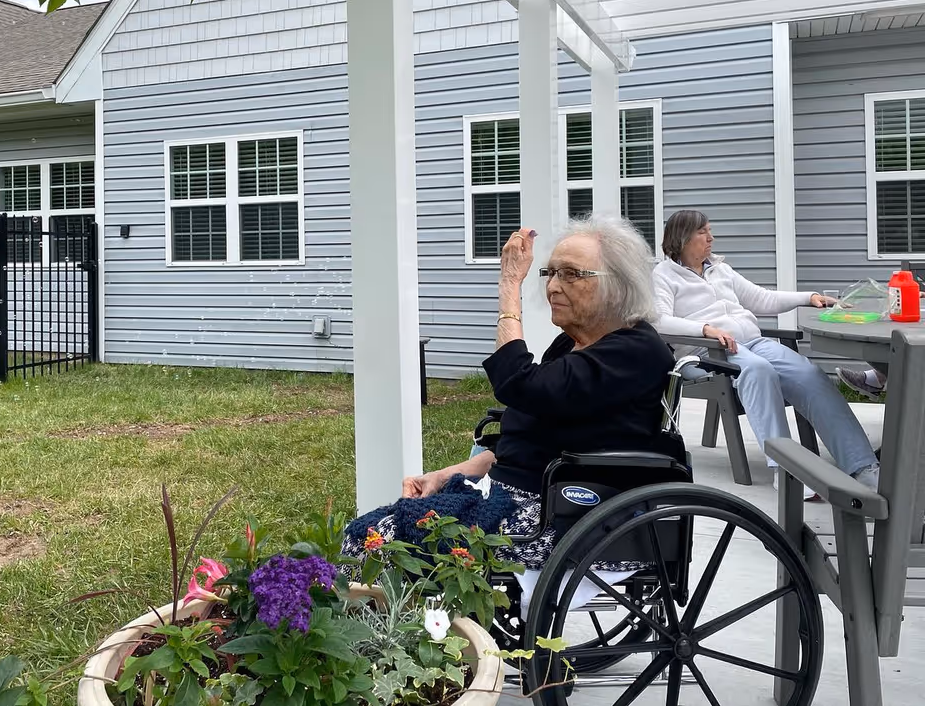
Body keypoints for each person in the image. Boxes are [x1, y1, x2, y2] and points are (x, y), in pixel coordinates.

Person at [344, 215, 675, 571]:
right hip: (520, 495)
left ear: (619, 285)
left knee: (378, 542)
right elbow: (528, 440)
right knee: (369, 530)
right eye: (550, 273)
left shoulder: (634, 351)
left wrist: (509, 286)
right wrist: (443, 475)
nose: (552, 287)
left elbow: (519, 385)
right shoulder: (572, 344)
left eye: (571, 274)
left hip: (566, 517)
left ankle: (395, 625)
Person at [651, 210, 880, 493]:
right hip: (704, 353)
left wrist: (808, 297)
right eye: (703, 233)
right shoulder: (664, 274)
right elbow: (658, 320)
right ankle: (786, 470)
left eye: (710, 230)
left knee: (808, 374)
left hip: (751, 344)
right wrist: (705, 329)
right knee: (758, 370)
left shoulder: (720, 269)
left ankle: (862, 466)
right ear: (682, 238)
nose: (711, 238)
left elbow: (762, 298)